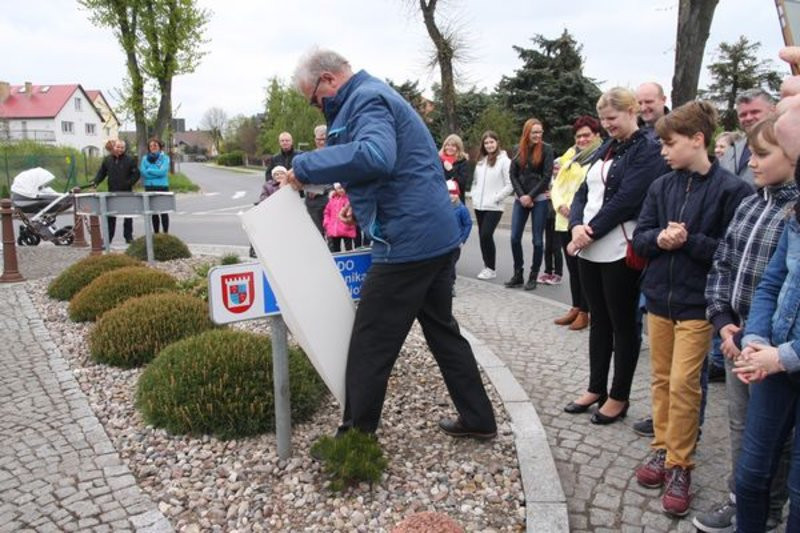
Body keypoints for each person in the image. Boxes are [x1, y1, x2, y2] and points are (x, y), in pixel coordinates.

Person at [284, 48, 497, 441]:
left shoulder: (366, 99)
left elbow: (376, 155)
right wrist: (358, 209)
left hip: (407, 242)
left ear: (327, 79)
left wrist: (304, 166)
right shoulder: (372, 96)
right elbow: (392, 169)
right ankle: (479, 418)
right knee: (442, 330)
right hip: (432, 234)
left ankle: (354, 441)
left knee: (371, 341)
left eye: (314, 99)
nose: (317, 107)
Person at [630, 101, 753, 517]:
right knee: (661, 381)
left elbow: (735, 253)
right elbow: (640, 237)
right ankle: (662, 449)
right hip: (659, 299)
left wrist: (689, 241)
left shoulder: (733, 190)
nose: (663, 150)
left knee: (685, 383)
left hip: (699, 304)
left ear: (698, 140)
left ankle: (681, 464)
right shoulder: (661, 186)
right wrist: (659, 239)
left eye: (670, 143)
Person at [693, 116, 797, 532]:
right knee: (743, 425)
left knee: (778, 436)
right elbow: (723, 262)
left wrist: (763, 342)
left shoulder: (793, 210)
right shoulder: (751, 203)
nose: (751, 163)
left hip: (775, 350)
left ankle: (771, 507)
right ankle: (744, 498)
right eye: (750, 153)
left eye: (762, 154)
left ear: (793, 156)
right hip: (740, 338)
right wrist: (724, 322)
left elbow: (779, 285)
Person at [563, 87, 668, 424]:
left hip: (618, 246)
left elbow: (628, 198)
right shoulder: (606, 146)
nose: (607, 125)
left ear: (631, 111)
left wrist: (588, 231)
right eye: (604, 119)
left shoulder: (647, 148)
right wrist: (577, 224)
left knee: (622, 324)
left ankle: (619, 395)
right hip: (590, 245)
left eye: (613, 118)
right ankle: (596, 387)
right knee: (599, 321)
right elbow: (582, 190)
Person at [550, 115, 603, 330]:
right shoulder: (570, 156)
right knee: (573, 268)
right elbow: (556, 184)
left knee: (584, 269)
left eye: (586, 135)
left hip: (581, 220)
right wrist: (559, 204)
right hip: (564, 218)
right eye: (579, 136)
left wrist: (575, 212)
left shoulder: (599, 157)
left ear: (597, 135)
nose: (582, 139)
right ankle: (575, 306)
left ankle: (585, 311)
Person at [505, 118, 555, 290]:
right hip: (521, 199)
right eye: (534, 132)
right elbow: (513, 175)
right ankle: (518, 274)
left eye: (540, 132)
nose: (538, 135)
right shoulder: (518, 149)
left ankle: (533, 276)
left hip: (539, 199)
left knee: (537, 241)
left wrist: (531, 196)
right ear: (527, 132)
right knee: (514, 238)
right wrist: (521, 195)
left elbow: (547, 176)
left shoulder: (547, 149)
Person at [471, 130, 512, 281]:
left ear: (497, 142)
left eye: (491, 142)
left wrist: (497, 198)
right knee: (482, 237)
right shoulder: (481, 161)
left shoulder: (504, 161)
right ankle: (487, 266)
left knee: (486, 235)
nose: (489, 145)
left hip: (494, 206)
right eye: (486, 143)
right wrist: (475, 196)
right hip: (479, 206)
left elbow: (510, 184)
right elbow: (475, 182)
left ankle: (491, 268)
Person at [719, 88, 777, 186]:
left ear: (773, 110)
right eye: (743, 115)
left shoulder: (786, 148)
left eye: (755, 112)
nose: (748, 118)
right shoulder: (732, 150)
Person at [92, 139, 139, 244]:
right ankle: (108, 238)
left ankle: (128, 237)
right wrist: (95, 182)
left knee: (127, 216)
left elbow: (136, 174)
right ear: (114, 147)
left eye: (122, 148)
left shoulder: (130, 160)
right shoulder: (107, 160)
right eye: (118, 147)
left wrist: (129, 183)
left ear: (124, 148)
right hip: (112, 191)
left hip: (126, 192)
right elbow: (101, 173)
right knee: (111, 216)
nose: (120, 149)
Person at [248, 165, 285, 258]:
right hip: (271, 211)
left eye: (281, 173)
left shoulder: (290, 184)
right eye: (276, 174)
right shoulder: (268, 185)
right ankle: (255, 250)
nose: (279, 176)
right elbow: (263, 197)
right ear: (273, 176)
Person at [139, 137, 171, 234]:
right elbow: (143, 172)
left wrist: (150, 170)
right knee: (153, 212)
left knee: (163, 211)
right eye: (151, 146)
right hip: (149, 186)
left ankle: (165, 233)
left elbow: (163, 171)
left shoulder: (165, 158)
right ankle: (156, 233)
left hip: (162, 187)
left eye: (155, 145)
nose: (153, 147)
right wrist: (153, 173)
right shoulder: (145, 159)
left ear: (159, 147)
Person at [448, 180, 472, 295]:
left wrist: (463, 239)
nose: (451, 196)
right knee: (445, 264)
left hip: (456, 242)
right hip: (444, 242)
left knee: (451, 263)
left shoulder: (462, 209)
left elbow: (468, 224)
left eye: (454, 193)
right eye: (449, 193)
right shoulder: (443, 208)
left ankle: (451, 285)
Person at [304, 125, 329, 236]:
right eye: (319, 139)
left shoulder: (334, 155)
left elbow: (337, 179)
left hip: (328, 199)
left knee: (330, 234)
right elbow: (304, 176)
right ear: (315, 140)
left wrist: (320, 189)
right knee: (316, 234)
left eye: (324, 139)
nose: (321, 142)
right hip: (312, 202)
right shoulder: (310, 156)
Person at [323, 182, 355, 252]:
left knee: (349, 250)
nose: (341, 190)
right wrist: (327, 223)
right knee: (335, 250)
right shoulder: (332, 200)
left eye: (343, 188)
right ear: (335, 190)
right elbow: (327, 212)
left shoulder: (349, 199)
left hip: (346, 228)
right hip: (334, 229)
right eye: (339, 188)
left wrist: (349, 222)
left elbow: (352, 213)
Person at [439, 134, 469, 203]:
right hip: (440, 199)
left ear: (458, 148)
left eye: (453, 146)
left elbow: (462, 183)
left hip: (456, 201)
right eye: (448, 145)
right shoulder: (438, 160)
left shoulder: (462, 162)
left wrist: (451, 170)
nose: (449, 148)